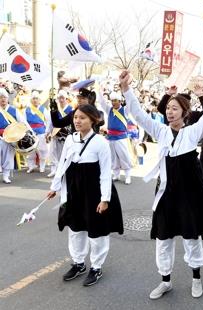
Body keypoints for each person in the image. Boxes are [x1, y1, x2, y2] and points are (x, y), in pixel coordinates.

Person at [120, 65, 203, 299]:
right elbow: (138, 115)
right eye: (168, 108)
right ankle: (165, 280)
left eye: (175, 108)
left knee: (191, 237)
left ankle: (196, 278)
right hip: (166, 193)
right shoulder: (160, 131)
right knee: (163, 238)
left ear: (184, 112)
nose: (170, 112)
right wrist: (126, 89)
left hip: (189, 194)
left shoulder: (192, 133)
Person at [47, 104, 123, 287]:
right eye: (75, 117)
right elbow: (63, 164)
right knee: (75, 228)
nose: (77, 121)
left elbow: (106, 173)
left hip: (94, 191)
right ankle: (79, 263)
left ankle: (96, 267)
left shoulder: (100, 142)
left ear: (93, 120)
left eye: (82, 118)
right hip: (74, 189)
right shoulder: (70, 139)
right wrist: (54, 186)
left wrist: (105, 199)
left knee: (97, 231)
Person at [100, 91, 133, 184]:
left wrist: (127, 91)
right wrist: (99, 91)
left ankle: (127, 176)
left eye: (115, 101)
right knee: (113, 157)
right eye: (112, 101)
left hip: (121, 137)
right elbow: (102, 103)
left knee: (124, 156)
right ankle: (116, 175)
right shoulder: (109, 110)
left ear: (120, 101)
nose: (113, 102)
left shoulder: (125, 110)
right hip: (110, 137)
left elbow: (130, 102)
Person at [0, 87, 26, 184]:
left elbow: (23, 122)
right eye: (1, 97)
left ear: (7, 99)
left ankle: (6, 176)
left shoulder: (14, 110)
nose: (3, 99)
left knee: (8, 157)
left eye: (4, 97)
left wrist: (28, 131)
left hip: (10, 138)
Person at [47, 90, 73, 178]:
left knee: (65, 155)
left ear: (66, 99)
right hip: (56, 135)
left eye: (63, 98)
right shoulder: (56, 108)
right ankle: (54, 170)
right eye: (59, 98)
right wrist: (48, 132)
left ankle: (65, 171)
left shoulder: (71, 109)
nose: (61, 100)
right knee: (53, 154)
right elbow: (51, 122)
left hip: (66, 136)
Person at [25, 91, 51, 174]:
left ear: (39, 100)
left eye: (36, 98)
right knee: (30, 151)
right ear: (31, 100)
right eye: (33, 99)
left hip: (41, 132)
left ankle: (42, 166)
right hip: (30, 133)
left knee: (42, 150)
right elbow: (24, 122)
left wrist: (47, 131)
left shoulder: (43, 109)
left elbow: (48, 121)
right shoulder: (27, 109)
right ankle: (31, 166)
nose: (35, 100)